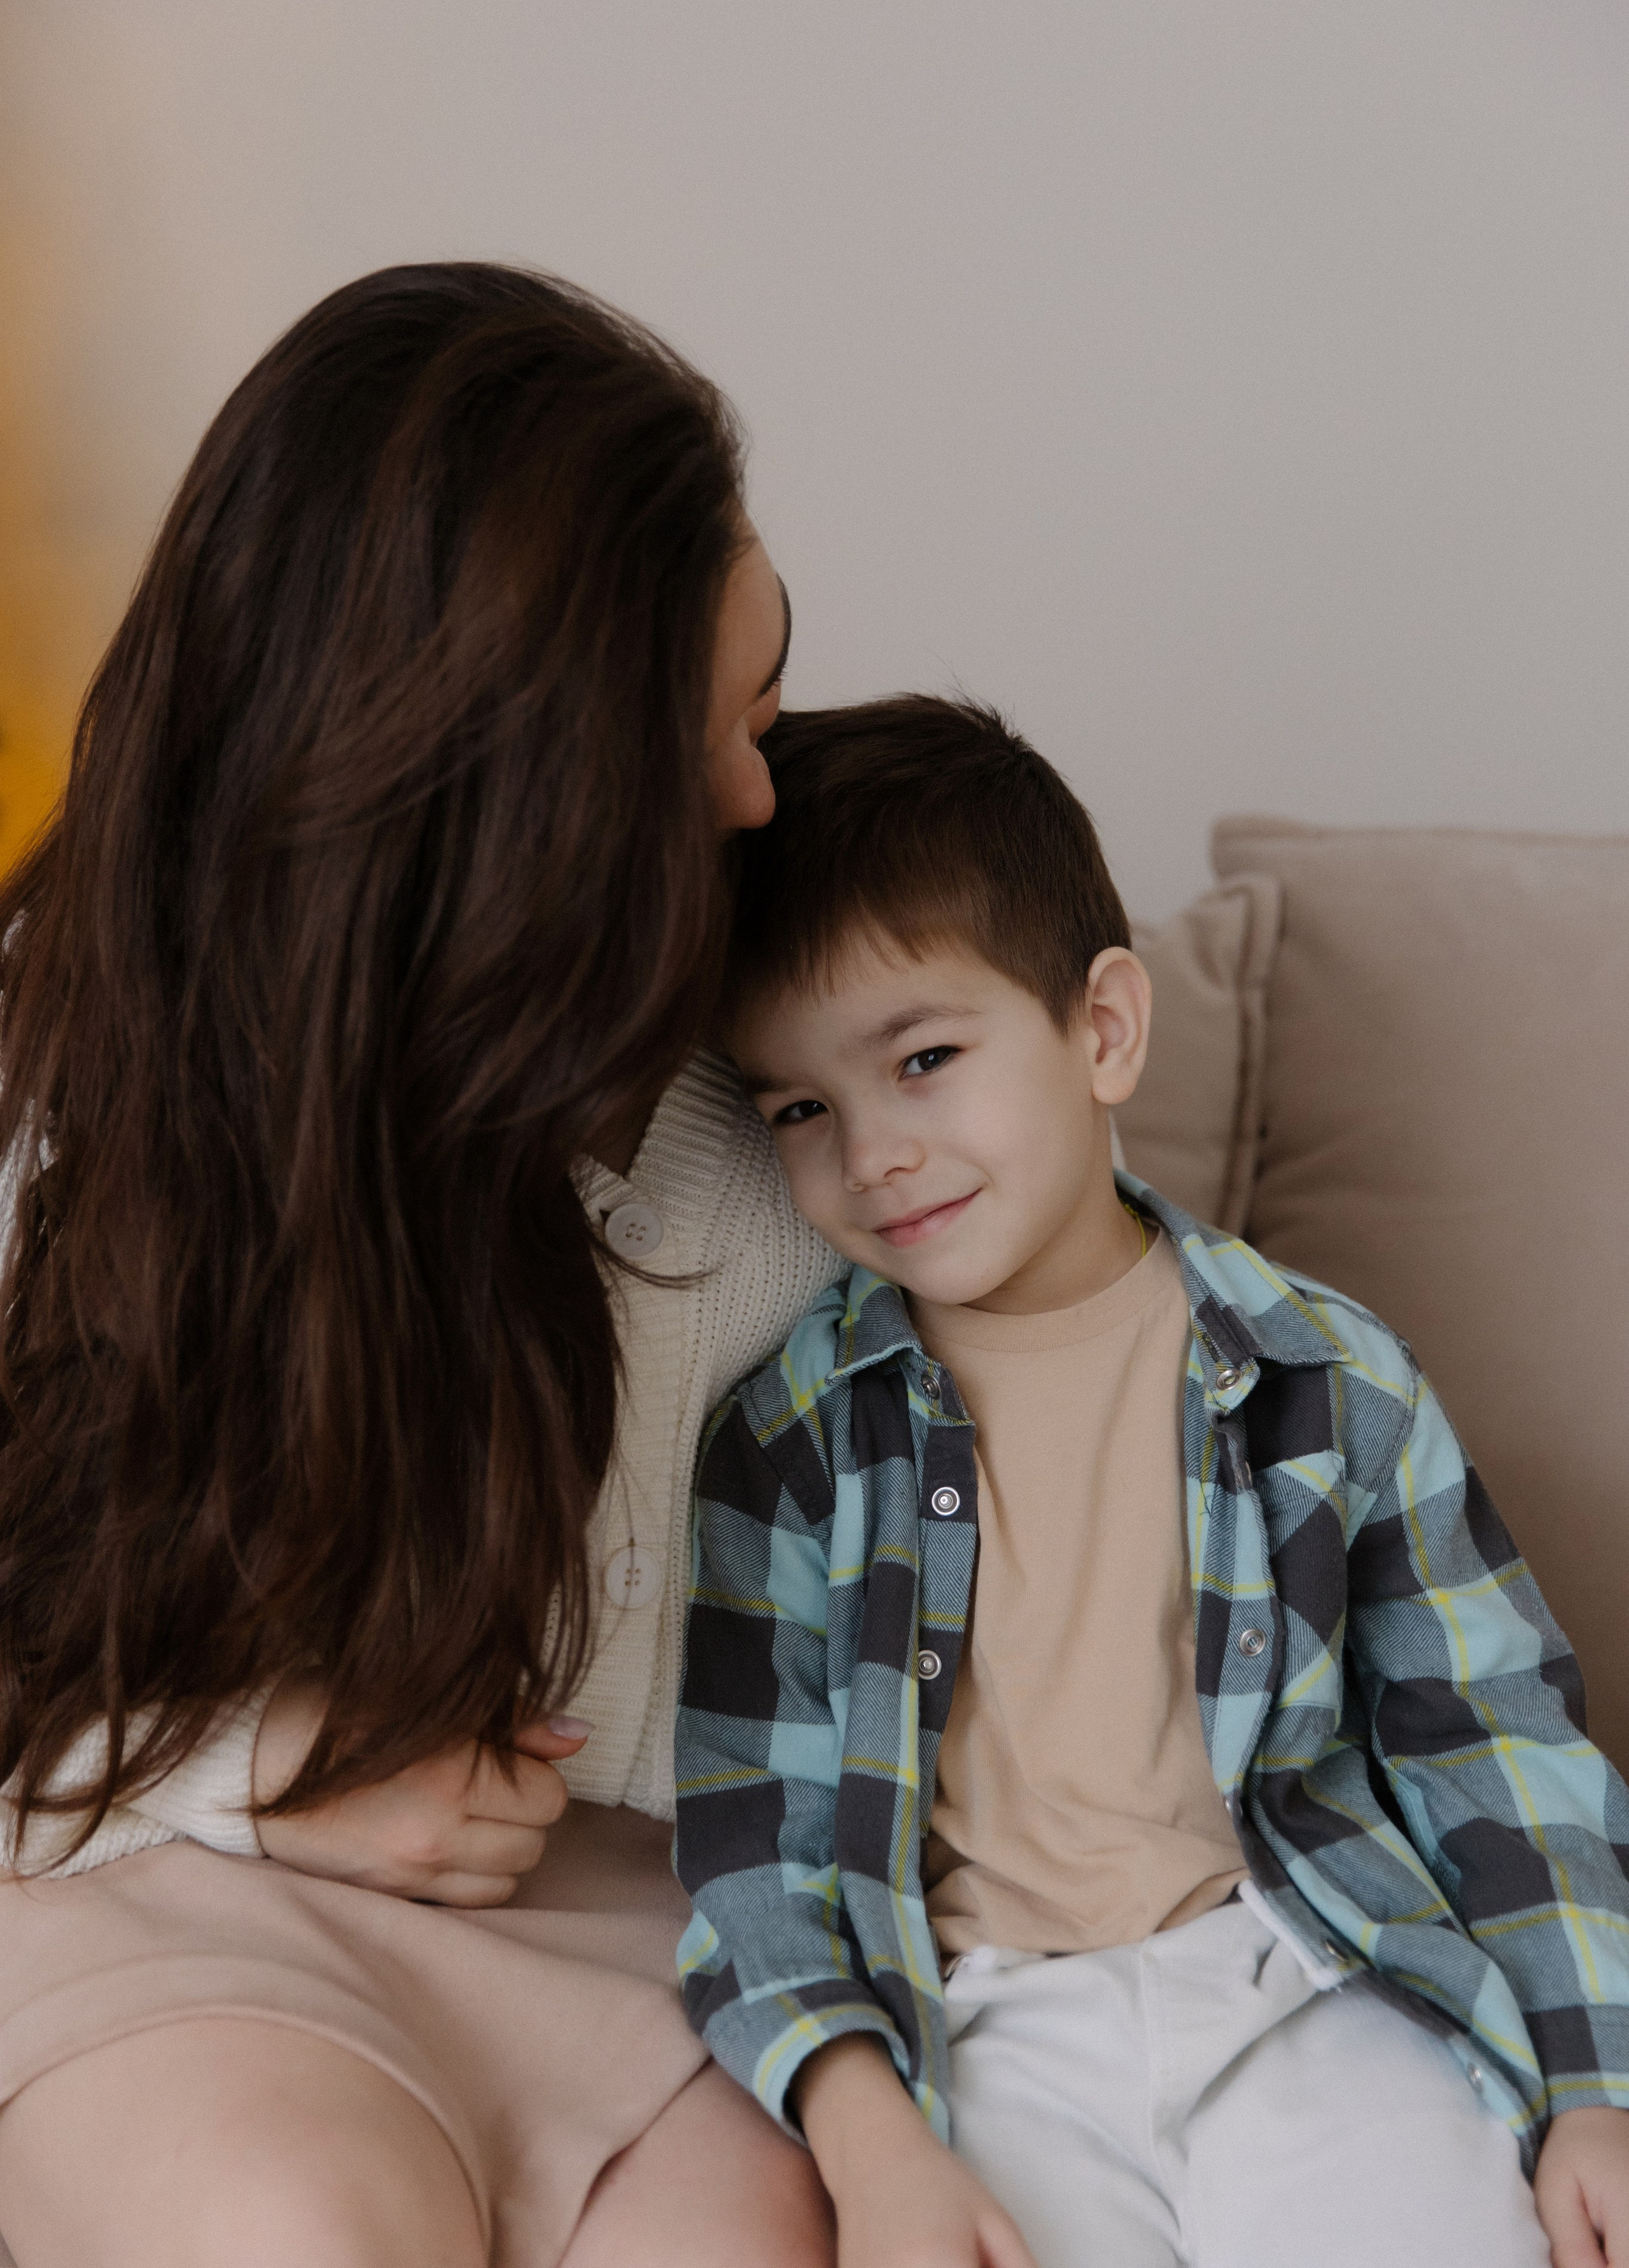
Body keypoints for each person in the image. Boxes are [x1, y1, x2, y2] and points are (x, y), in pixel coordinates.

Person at [0, 263, 844, 2267]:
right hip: (153, 1870)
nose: (756, 793)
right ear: (478, 792)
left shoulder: (793, 1068)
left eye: (773, 702)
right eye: (697, 739)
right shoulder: (61, 1088)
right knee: (300, 2231)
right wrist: (246, 1772)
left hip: (651, 1931)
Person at [674, 694, 1629, 2268]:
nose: (872, 1154)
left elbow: (1495, 1739)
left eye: (923, 1057)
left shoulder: (1329, 1379)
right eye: (799, 1107)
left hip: (1299, 1979)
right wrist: (871, 2137)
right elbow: (748, 1851)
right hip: (982, 2029)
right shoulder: (786, 1439)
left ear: (1103, 1028)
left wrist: (1596, 2081)